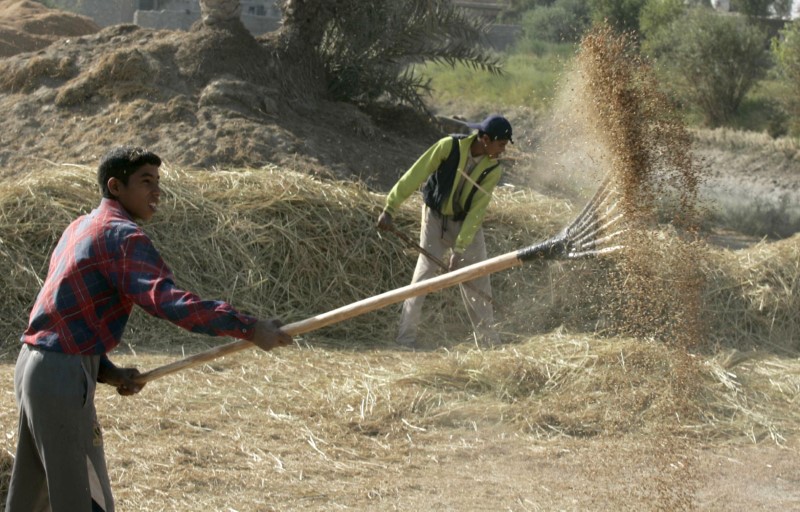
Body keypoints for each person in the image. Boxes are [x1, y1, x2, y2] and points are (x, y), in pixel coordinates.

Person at [5, 146, 293, 512]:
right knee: (83, 497)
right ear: (116, 186)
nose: (157, 192)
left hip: (33, 366)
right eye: (145, 182)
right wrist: (249, 328)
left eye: (158, 182)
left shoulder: (80, 226)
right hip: (61, 374)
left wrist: (107, 372)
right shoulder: (123, 237)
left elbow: (66, 315)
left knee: (33, 495)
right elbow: (167, 301)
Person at [377, 114, 513, 348]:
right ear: (486, 139)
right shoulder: (449, 147)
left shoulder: (493, 170)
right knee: (424, 275)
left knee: (478, 279)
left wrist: (460, 249)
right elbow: (416, 174)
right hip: (435, 219)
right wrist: (390, 207)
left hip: (465, 224)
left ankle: (489, 343)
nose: (502, 151)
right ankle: (405, 338)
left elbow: (477, 211)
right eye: (501, 144)